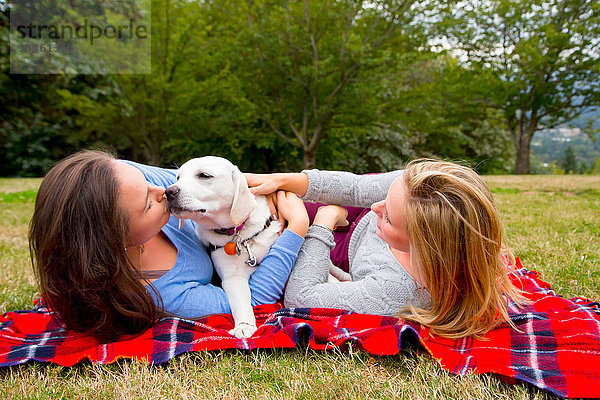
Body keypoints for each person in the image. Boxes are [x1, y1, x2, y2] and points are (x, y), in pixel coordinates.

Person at [28, 150, 309, 342]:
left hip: (265, 216)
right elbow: (255, 299)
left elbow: (219, 179)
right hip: (288, 252)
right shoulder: (163, 293)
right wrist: (298, 227)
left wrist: (274, 188)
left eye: (147, 183)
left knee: (347, 195)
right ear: (119, 241)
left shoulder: (125, 182)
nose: (163, 191)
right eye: (148, 204)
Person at [246, 159, 525, 339]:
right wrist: (279, 179)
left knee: (253, 234)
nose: (374, 207)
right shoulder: (421, 190)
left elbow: (301, 297)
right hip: (357, 217)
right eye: (387, 197)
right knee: (255, 197)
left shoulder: (398, 290)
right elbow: (356, 189)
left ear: (426, 247)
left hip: (338, 243)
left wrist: (321, 220)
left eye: (388, 215)